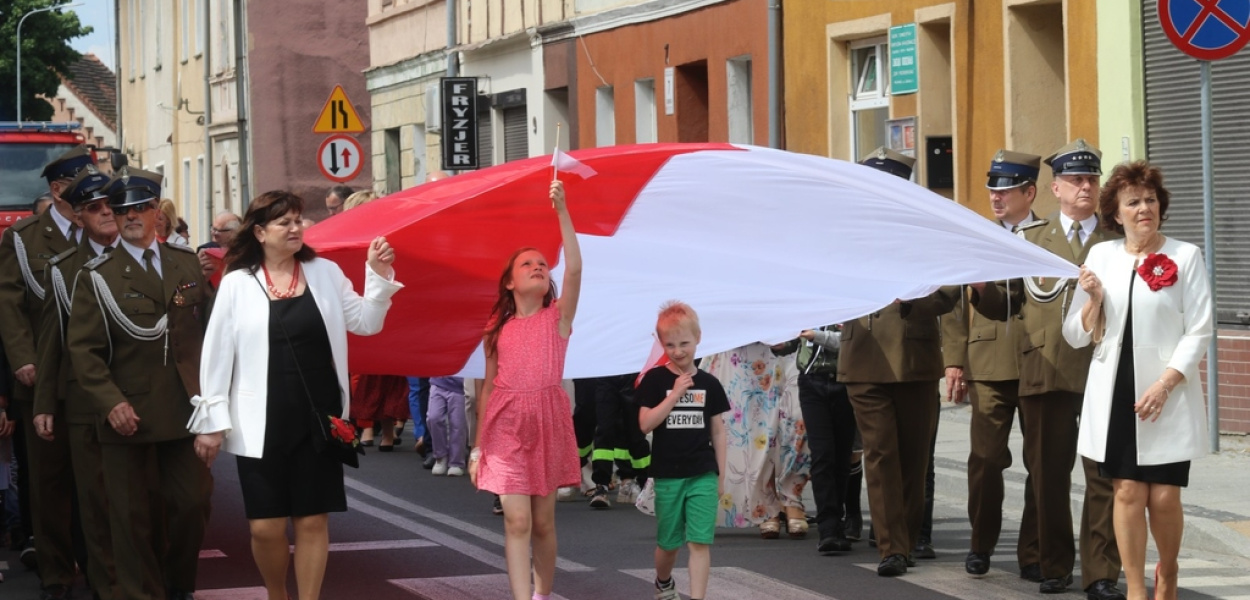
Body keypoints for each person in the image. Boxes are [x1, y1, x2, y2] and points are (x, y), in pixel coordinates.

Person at [187, 190, 400, 600]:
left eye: (298, 220)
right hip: (260, 421)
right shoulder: (237, 283)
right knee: (265, 527)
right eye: (284, 222)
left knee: (312, 520)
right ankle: (276, 594)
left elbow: (366, 323)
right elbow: (217, 357)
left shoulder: (325, 272)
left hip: (320, 416)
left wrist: (377, 276)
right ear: (260, 232)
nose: (295, 228)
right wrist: (211, 423)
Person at [971, 139, 1125, 599]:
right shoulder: (1032, 239)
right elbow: (1007, 305)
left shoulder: (1115, 241)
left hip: (1101, 371)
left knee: (1102, 477)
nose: (1086, 187)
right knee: (1049, 476)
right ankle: (1053, 566)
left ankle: (1101, 574)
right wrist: (981, 288)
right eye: (1076, 180)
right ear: (1055, 188)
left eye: (1091, 179)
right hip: (1046, 369)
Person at [1063, 161, 1212, 600]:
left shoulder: (1185, 256)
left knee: (1164, 497)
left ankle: (1168, 572)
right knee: (1127, 492)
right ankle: (1134, 589)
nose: (1144, 208)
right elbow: (1074, 334)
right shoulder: (1100, 256)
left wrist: (1166, 383)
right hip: (1116, 392)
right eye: (1133, 202)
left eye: (1150, 200)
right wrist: (1092, 301)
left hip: (1167, 391)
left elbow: (1200, 329)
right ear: (1116, 212)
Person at [66, 167, 213, 600]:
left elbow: (211, 332)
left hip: (185, 409)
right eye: (122, 210)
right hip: (127, 412)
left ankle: (177, 585)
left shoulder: (185, 263)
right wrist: (110, 402)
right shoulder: (97, 275)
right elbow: (84, 350)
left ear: (156, 214)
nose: (130, 216)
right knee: (131, 519)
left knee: (191, 505)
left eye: (140, 208)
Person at [838, 147, 961, 577]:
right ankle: (891, 547)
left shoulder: (926, 231)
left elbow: (950, 292)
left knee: (913, 458)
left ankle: (904, 539)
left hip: (914, 357)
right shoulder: (848, 233)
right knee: (880, 453)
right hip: (863, 356)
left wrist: (911, 298)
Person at [469, 180, 581, 600]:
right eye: (527, 264)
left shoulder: (558, 318)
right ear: (509, 283)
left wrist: (562, 210)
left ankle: (541, 593)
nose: (538, 267)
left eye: (542, 264)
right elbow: (487, 390)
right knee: (517, 521)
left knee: (543, 524)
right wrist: (477, 450)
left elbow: (575, 270)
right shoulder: (496, 329)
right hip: (505, 425)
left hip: (547, 421)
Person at [0, 145, 95, 599]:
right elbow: (10, 303)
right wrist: (23, 358)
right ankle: (56, 573)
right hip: (43, 379)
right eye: (83, 183)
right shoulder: (23, 238)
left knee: (96, 481)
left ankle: (98, 568)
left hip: (94, 378)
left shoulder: (100, 228)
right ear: (58, 190)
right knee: (49, 482)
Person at [942, 150, 1042, 579]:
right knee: (984, 460)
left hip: (1039, 362)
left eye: (1006, 191)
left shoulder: (1046, 235)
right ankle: (980, 544)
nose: (996, 198)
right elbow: (953, 305)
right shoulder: (977, 236)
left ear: (1029, 192)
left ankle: (1033, 553)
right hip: (986, 363)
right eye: (992, 190)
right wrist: (954, 361)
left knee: (1041, 464)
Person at [31, 168, 122, 600]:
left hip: (142, 394)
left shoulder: (152, 257)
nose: (107, 213)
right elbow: (51, 341)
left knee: (148, 499)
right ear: (79, 216)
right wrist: (43, 402)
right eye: (95, 208)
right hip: (82, 399)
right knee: (90, 498)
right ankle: (98, 583)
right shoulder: (63, 268)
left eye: (111, 205)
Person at [637, 301, 730, 600]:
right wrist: (675, 394)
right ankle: (663, 581)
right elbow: (645, 424)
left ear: (698, 338)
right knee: (669, 544)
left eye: (684, 343)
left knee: (699, 542)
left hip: (702, 472)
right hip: (668, 474)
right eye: (670, 345)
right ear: (661, 343)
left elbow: (718, 431)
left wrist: (720, 476)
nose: (678, 351)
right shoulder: (654, 380)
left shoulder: (710, 383)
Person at [701, 342, 810, 539]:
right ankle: (766, 502)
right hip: (748, 342)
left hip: (795, 341)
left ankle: (791, 495)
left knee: (798, 419)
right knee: (757, 426)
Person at [774, 325, 860, 553]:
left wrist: (817, 335)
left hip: (845, 380)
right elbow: (797, 339)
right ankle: (828, 528)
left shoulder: (849, 308)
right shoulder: (810, 308)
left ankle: (839, 522)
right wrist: (782, 343)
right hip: (811, 382)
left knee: (842, 457)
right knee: (822, 455)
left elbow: (854, 340)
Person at [427, 376, 467, 476]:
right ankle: (440, 456)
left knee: (458, 424)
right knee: (433, 418)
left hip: (460, 386)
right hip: (438, 382)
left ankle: (456, 462)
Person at [199, 211, 242, 281]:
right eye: (213, 228)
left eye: (218, 230)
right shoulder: (205, 251)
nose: (213, 233)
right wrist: (200, 272)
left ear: (233, 232)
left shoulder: (246, 252)